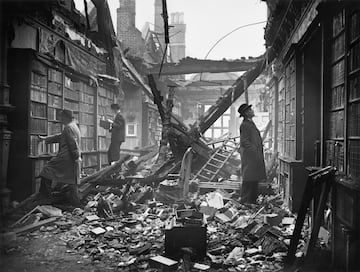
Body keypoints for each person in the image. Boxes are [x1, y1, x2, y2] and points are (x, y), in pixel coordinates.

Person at [38, 109, 81, 205]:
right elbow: (60, 137)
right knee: (72, 182)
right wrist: (46, 139)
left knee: (46, 170)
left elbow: (73, 144)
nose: (60, 119)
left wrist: (75, 157)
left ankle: (46, 197)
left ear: (66, 117)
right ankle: (76, 203)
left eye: (61, 117)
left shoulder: (68, 127)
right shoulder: (73, 126)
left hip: (66, 159)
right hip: (71, 159)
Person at [238, 103, 266, 204]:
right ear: (246, 113)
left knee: (254, 179)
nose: (252, 111)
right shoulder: (245, 125)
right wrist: (254, 149)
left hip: (253, 156)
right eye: (250, 110)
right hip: (250, 157)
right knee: (248, 179)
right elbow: (244, 141)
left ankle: (252, 201)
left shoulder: (250, 123)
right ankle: (245, 201)